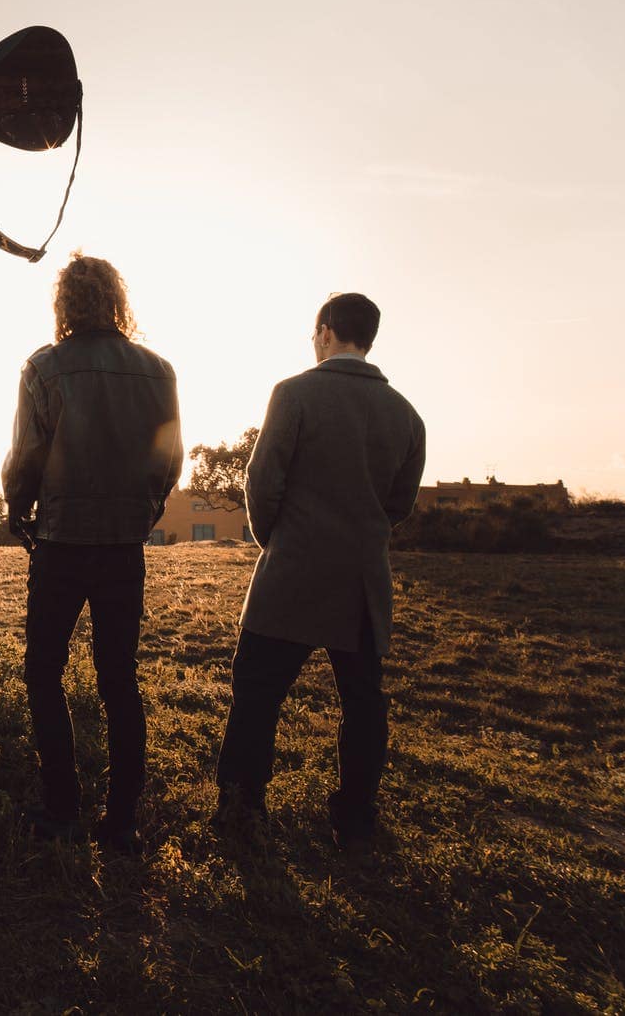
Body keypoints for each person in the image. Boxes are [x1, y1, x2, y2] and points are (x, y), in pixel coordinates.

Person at [213, 292, 426, 850]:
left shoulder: (293, 394)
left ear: (326, 332)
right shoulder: (407, 415)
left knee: (257, 696)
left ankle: (241, 809)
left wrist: (275, 539)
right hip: (361, 582)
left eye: (314, 334)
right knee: (362, 704)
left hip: (292, 572)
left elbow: (262, 482)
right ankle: (355, 820)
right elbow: (400, 504)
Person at [1, 254, 182, 855]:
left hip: (61, 542)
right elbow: (169, 460)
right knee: (119, 678)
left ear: (65, 305)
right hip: (124, 545)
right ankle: (122, 821)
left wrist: (17, 509)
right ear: (116, 300)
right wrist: (145, 510)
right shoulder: (160, 371)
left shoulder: (44, 366)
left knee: (43, 673)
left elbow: (27, 454)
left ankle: (61, 807)